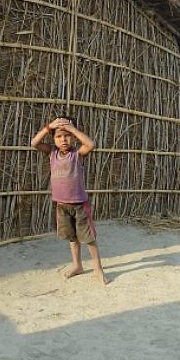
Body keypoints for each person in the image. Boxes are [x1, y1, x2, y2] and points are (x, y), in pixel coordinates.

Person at [31, 116, 108, 285]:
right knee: (73, 238)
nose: (63, 139)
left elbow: (91, 144)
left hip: (79, 204)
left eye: (67, 136)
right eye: (59, 136)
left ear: (73, 137)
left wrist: (72, 128)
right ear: (53, 139)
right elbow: (34, 143)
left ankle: (98, 269)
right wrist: (49, 127)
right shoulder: (52, 153)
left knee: (88, 238)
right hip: (61, 204)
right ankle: (77, 265)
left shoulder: (77, 154)